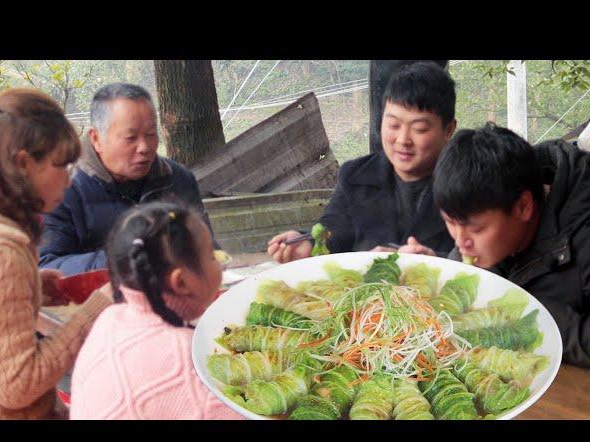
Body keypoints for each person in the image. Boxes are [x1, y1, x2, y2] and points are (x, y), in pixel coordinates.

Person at [0, 89, 113, 419]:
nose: (70, 180)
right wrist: (98, 307)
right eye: (62, 166)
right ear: (23, 164)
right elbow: (17, 383)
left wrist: (29, 288)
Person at [430, 122, 590, 367]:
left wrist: (533, 315)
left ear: (524, 207)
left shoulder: (583, 233)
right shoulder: (487, 211)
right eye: (450, 222)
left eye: (477, 228)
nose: (461, 243)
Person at [268, 62, 457, 263]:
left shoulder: (467, 181)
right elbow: (333, 229)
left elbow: (486, 257)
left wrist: (435, 259)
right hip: (366, 290)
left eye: (419, 129)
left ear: (448, 130)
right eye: (393, 124)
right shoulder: (356, 176)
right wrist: (308, 244)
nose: (402, 140)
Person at [69, 201, 243, 419]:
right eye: (211, 256)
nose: (219, 263)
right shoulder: (185, 355)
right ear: (181, 283)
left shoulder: (110, 318)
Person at [39, 83, 215, 276]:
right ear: (96, 139)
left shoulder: (178, 179)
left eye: (151, 134)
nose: (145, 147)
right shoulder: (60, 188)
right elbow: (46, 264)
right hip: (94, 302)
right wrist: (123, 257)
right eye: (131, 138)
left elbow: (208, 249)